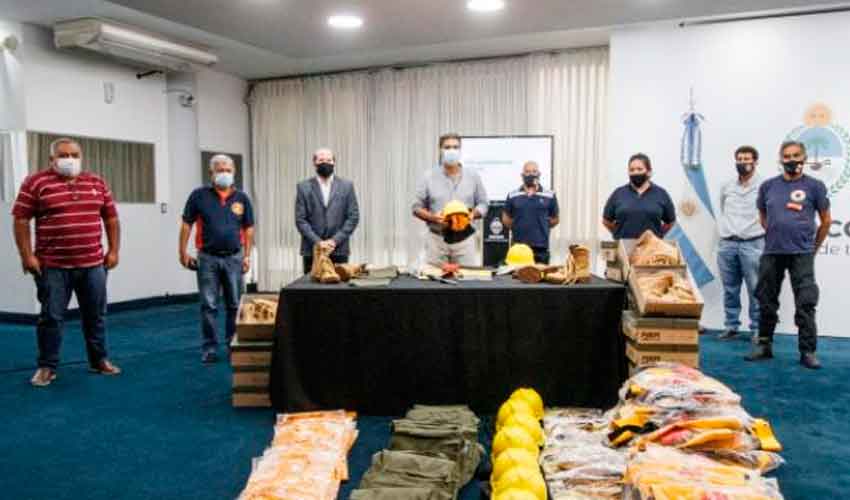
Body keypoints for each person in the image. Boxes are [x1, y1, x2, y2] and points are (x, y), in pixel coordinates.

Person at [12, 138, 122, 386]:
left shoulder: (96, 182)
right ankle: (47, 367)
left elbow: (111, 219)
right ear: (52, 159)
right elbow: (20, 220)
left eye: (74, 154)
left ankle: (99, 360)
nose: (69, 159)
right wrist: (27, 256)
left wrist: (114, 251)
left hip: (93, 265)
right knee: (51, 317)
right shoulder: (35, 183)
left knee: (96, 315)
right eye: (63, 155)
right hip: (52, 266)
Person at [747, 141, 831, 369]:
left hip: (801, 254)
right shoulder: (768, 186)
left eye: (795, 155)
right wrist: (777, 232)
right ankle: (764, 345)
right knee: (765, 300)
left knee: (805, 303)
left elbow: (826, 221)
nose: (791, 159)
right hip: (772, 252)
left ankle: (808, 351)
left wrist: (812, 248)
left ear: (803, 158)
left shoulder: (815, 186)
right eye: (786, 156)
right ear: (780, 159)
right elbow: (763, 216)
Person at [180, 154, 255, 364]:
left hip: (234, 258)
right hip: (207, 260)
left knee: (234, 305)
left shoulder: (242, 198)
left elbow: (249, 228)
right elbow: (187, 224)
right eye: (219, 170)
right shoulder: (198, 196)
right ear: (210, 173)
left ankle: (233, 343)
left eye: (228, 170)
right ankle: (210, 348)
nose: (224, 173)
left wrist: (247, 255)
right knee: (209, 306)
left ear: (234, 173)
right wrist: (182, 252)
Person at [412, 133, 488, 266]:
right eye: (447, 147)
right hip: (437, 240)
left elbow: (484, 203)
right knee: (435, 282)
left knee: (467, 281)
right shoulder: (428, 176)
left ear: (460, 150)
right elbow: (416, 207)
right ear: (440, 150)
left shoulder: (473, 176)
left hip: (465, 240)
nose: (451, 151)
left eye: (455, 147)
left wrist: (473, 214)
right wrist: (432, 217)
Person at [716, 146, 765, 341]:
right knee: (730, 288)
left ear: (755, 161)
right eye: (739, 159)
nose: (743, 162)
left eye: (747, 159)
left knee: (755, 288)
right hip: (727, 243)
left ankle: (757, 328)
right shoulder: (727, 186)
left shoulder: (764, 186)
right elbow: (722, 208)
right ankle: (731, 325)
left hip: (753, 243)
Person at [295, 148, 360, 274]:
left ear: (334, 162)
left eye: (329, 160)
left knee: (339, 291)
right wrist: (318, 242)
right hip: (312, 249)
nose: (325, 163)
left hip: (339, 248)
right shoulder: (303, 187)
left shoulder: (347, 186)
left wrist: (334, 240)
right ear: (314, 163)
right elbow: (300, 219)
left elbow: (353, 217)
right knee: (311, 290)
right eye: (321, 160)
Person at [602, 153, 676, 239]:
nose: (635, 172)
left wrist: (658, 235)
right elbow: (606, 221)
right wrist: (618, 233)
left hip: (652, 248)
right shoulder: (618, 193)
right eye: (631, 170)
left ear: (649, 172)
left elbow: (670, 222)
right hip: (624, 247)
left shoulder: (661, 194)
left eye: (639, 169)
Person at [501, 161, 559, 264]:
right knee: (515, 279)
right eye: (527, 172)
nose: (531, 174)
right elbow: (506, 218)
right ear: (522, 175)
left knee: (541, 278)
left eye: (534, 171)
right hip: (518, 249)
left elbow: (555, 219)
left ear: (539, 174)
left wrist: (542, 225)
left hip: (541, 248)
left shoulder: (550, 195)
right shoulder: (512, 195)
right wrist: (518, 226)